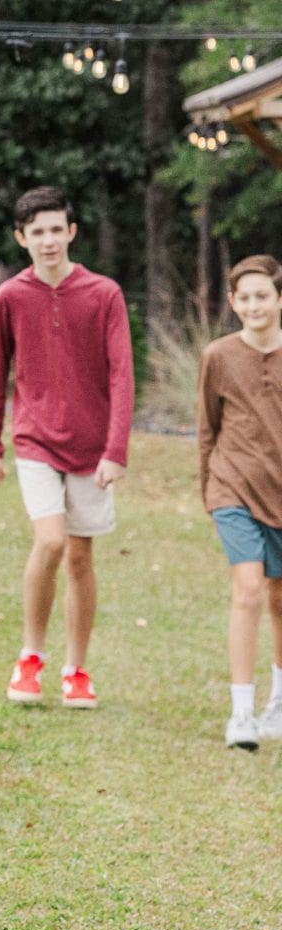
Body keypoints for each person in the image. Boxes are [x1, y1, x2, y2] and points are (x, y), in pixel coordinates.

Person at [0, 185, 134, 710]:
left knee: (81, 557)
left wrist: (115, 449)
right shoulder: (11, 297)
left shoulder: (104, 294)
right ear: (22, 238)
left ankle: (77, 670)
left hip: (92, 448)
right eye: (36, 233)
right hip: (35, 439)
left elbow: (122, 376)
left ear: (71, 232)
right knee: (50, 542)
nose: (48, 241)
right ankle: (30, 658)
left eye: (56, 230)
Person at [197, 255, 282, 751]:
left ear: (278, 299)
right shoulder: (218, 356)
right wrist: (209, 490)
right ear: (232, 303)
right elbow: (207, 427)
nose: (253, 305)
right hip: (233, 488)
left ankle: (277, 704)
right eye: (244, 297)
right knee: (248, 589)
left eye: (262, 296)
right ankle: (241, 714)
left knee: (278, 597)